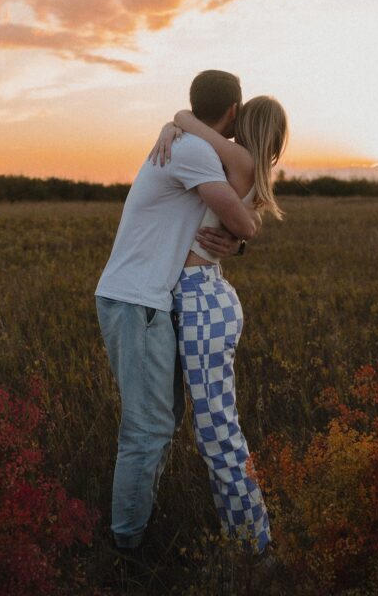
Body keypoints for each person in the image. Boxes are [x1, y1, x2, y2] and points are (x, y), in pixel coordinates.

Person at [94, 70, 261, 559]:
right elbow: (239, 218)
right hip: (137, 300)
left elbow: (220, 227)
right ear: (232, 111)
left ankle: (135, 526)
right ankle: (127, 547)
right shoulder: (193, 150)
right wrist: (242, 235)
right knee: (147, 429)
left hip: (148, 299)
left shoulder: (188, 143)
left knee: (159, 424)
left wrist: (235, 245)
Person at [149, 95, 288, 555]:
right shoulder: (245, 166)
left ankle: (255, 548)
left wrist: (177, 122)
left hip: (203, 301)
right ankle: (249, 541)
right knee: (215, 433)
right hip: (204, 294)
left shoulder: (237, 157)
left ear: (241, 120)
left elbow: (190, 120)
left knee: (218, 437)